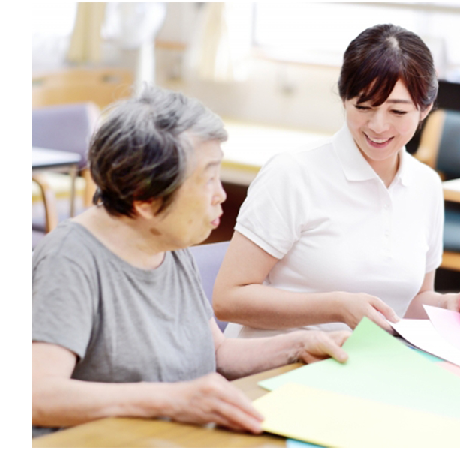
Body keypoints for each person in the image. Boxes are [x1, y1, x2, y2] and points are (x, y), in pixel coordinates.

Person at [31, 85, 350, 438]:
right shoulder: (70, 260)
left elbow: (218, 352)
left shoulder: (167, 240)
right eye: (208, 179)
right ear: (145, 200)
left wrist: (300, 344)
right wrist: (170, 400)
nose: (221, 195)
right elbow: (40, 395)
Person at [212, 23, 460, 339]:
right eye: (364, 107)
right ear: (344, 99)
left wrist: (451, 303)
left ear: (424, 109)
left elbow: (409, 303)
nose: (378, 126)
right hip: (279, 361)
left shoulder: (426, 185)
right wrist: (335, 308)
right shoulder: (292, 173)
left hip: (366, 363)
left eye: (397, 112)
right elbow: (227, 299)